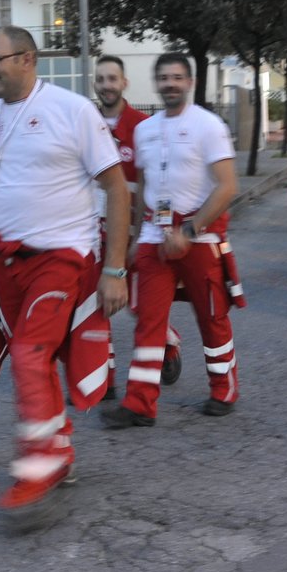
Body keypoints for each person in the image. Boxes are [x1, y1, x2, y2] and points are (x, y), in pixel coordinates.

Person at [0, 28, 127, 530]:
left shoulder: (73, 110)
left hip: (63, 257)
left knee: (29, 352)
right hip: (7, 263)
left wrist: (114, 268)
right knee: (36, 359)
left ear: (27, 58)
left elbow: (116, 187)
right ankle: (59, 450)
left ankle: (36, 468)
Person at [104, 52, 242, 425]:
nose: (170, 84)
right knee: (149, 320)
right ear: (156, 83)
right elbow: (144, 184)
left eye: (177, 77)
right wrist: (135, 236)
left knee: (211, 316)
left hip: (200, 236)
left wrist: (189, 231)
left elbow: (227, 187)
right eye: (164, 78)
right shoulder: (145, 129)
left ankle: (223, 387)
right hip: (153, 233)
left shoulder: (209, 126)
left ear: (190, 82)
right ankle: (139, 404)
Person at [92, 54, 182, 389]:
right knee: (95, 306)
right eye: (100, 80)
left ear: (124, 83)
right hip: (93, 233)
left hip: (135, 233)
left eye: (112, 79)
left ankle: (167, 344)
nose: (106, 86)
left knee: (140, 305)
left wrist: (158, 229)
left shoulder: (143, 127)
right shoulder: (86, 123)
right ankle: (102, 378)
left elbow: (160, 185)